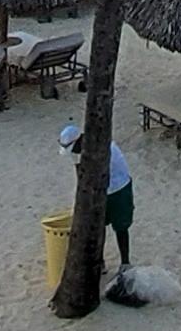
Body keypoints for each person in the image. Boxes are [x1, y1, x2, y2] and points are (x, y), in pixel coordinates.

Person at [54, 117, 136, 288]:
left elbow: (95, 175)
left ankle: (125, 262)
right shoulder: (81, 150)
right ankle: (100, 261)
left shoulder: (104, 149)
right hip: (100, 191)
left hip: (118, 189)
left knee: (121, 227)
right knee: (98, 227)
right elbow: (81, 174)